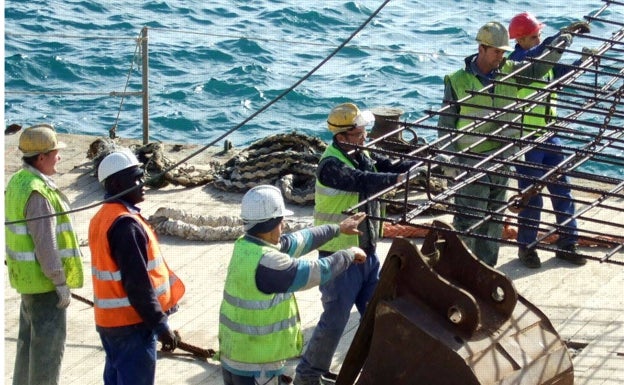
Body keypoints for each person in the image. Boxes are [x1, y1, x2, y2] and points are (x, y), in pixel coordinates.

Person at [294, 102, 419, 385]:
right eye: (359, 132)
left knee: (378, 315)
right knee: (335, 320)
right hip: (340, 257)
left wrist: (414, 165)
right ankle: (308, 375)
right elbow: (361, 180)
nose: (365, 136)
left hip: (368, 253)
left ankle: (383, 370)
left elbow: (385, 165)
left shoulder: (361, 154)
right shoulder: (331, 166)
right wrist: (396, 179)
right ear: (342, 137)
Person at [437, 21, 573, 267]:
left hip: (501, 157)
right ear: (482, 48)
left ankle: (485, 270)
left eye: (503, 51)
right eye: (497, 51)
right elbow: (446, 125)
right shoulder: (457, 81)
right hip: (472, 161)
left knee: (493, 221)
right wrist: (450, 162)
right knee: (470, 222)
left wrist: (562, 41)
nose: (501, 56)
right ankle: (459, 271)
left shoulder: (511, 71)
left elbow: (539, 67)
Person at [218, 184, 367, 385]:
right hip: (257, 365)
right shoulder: (270, 263)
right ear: (271, 224)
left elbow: (301, 239)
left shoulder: (245, 246)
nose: (284, 227)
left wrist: (338, 229)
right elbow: (317, 271)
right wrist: (348, 254)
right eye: (281, 222)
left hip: (235, 355)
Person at [88, 150, 185, 385]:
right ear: (117, 184)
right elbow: (138, 285)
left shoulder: (103, 217)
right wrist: (160, 326)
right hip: (131, 326)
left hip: (110, 324)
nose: (144, 183)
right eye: (136, 178)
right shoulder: (125, 226)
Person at [5, 124, 84, 385]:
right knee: (46, 356)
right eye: (55, 153)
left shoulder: (18, 182)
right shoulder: (38, 193)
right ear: (41, 158)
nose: (59, 157)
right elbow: (45, 244)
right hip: (45, 287)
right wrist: (60, 282)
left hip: (28, 285)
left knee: (27, 349)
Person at [508, 12, 588, 268]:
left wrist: (583, 61)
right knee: (531, 196)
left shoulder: (542, 58)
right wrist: (564, 36)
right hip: (527, 140)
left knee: (561, 189)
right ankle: (527, 247)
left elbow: (558, 69)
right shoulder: (518, 62)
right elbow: (543, 56)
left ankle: (568, 243)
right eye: (534, 36)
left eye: (540, 34)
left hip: (550, 136)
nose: (538, 38)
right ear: (519, 40)